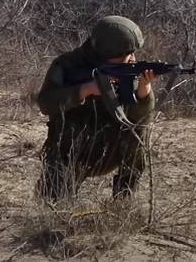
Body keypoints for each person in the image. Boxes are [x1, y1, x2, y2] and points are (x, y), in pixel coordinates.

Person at [34, 15, 156, 200]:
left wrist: (143, 93)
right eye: (124, 54)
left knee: (137, 133)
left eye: (132, 53)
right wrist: (84, 90)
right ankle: (54, 204)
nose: (131, 59)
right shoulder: (67, 66)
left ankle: (123, 202)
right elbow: (46, 103)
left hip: (111, 148)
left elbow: (137, 119)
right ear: (105, 52)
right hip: (70, 150)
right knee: (51, 205)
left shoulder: (128, 68)